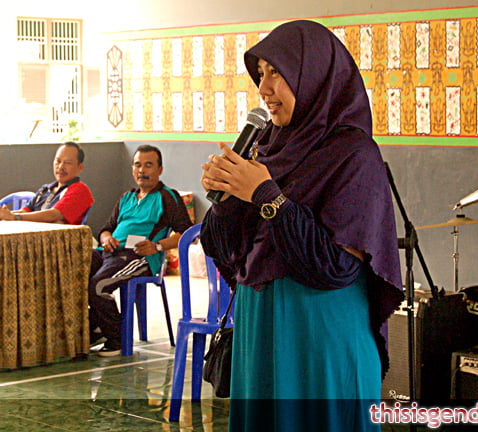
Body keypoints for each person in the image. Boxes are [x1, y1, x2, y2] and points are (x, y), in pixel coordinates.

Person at [199, 20, 404, 432]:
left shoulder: (354, 154)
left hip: (320, 333)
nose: (265, 88)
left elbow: (335, 267)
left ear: (314, 76)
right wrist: (225, 200)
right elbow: (228, 250)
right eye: (260, 75)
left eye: (277, 72)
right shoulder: (268, 148)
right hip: (262, 328)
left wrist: (266, 197)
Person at [88, 144, 192, 356]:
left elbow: (187, 233)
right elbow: (106, 229)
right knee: (72, 271)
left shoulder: (167, 197)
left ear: (160, 169)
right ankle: (93, 328)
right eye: (137, 165)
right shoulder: (126, 197)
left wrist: (158, 246)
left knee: (98, 286)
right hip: (109, 252)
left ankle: (116, 338)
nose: (142, 171)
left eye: (148, 165)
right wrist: (107, 239)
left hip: (138, 257)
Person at [0, 141, 94, 224]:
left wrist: (14, 217)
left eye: (68, 163)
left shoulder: (80, 190)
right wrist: (2, 214)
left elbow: (53, 215)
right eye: (58, 161)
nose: (61, 167)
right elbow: (26, 212)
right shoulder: (45, 189)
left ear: (80, 167)